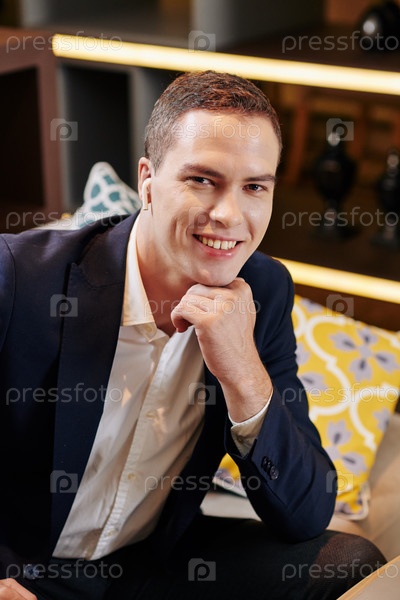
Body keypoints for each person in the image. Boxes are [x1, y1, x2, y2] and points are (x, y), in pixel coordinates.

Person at [0, 70, 385, 600]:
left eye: (254, 187)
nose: (229, 215)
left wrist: (242, 372)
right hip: (25, 570)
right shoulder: (18, 277)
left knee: (348, 565)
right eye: (202, 180)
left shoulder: (264, 289)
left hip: (155, 563)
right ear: (148, 180)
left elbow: (307, 512)